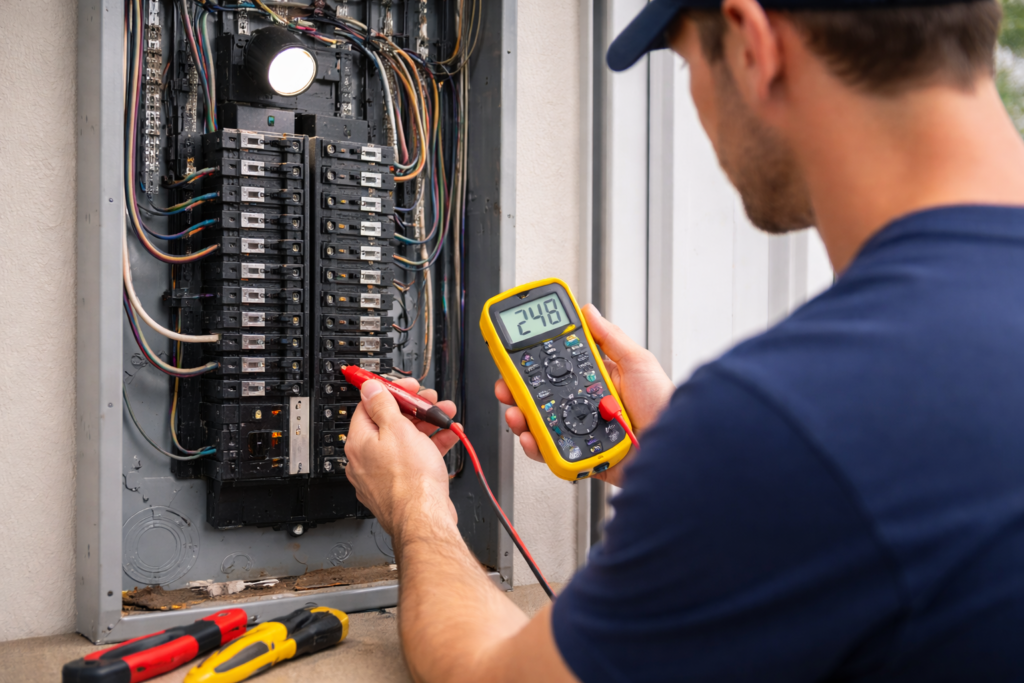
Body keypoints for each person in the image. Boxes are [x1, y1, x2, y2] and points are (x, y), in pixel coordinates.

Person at [344, 0, 1024, 679]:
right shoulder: (831, 428)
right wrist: (678, 463)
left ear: (755, 44)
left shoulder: (791, 418)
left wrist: (415, 499)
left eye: (688, 64)